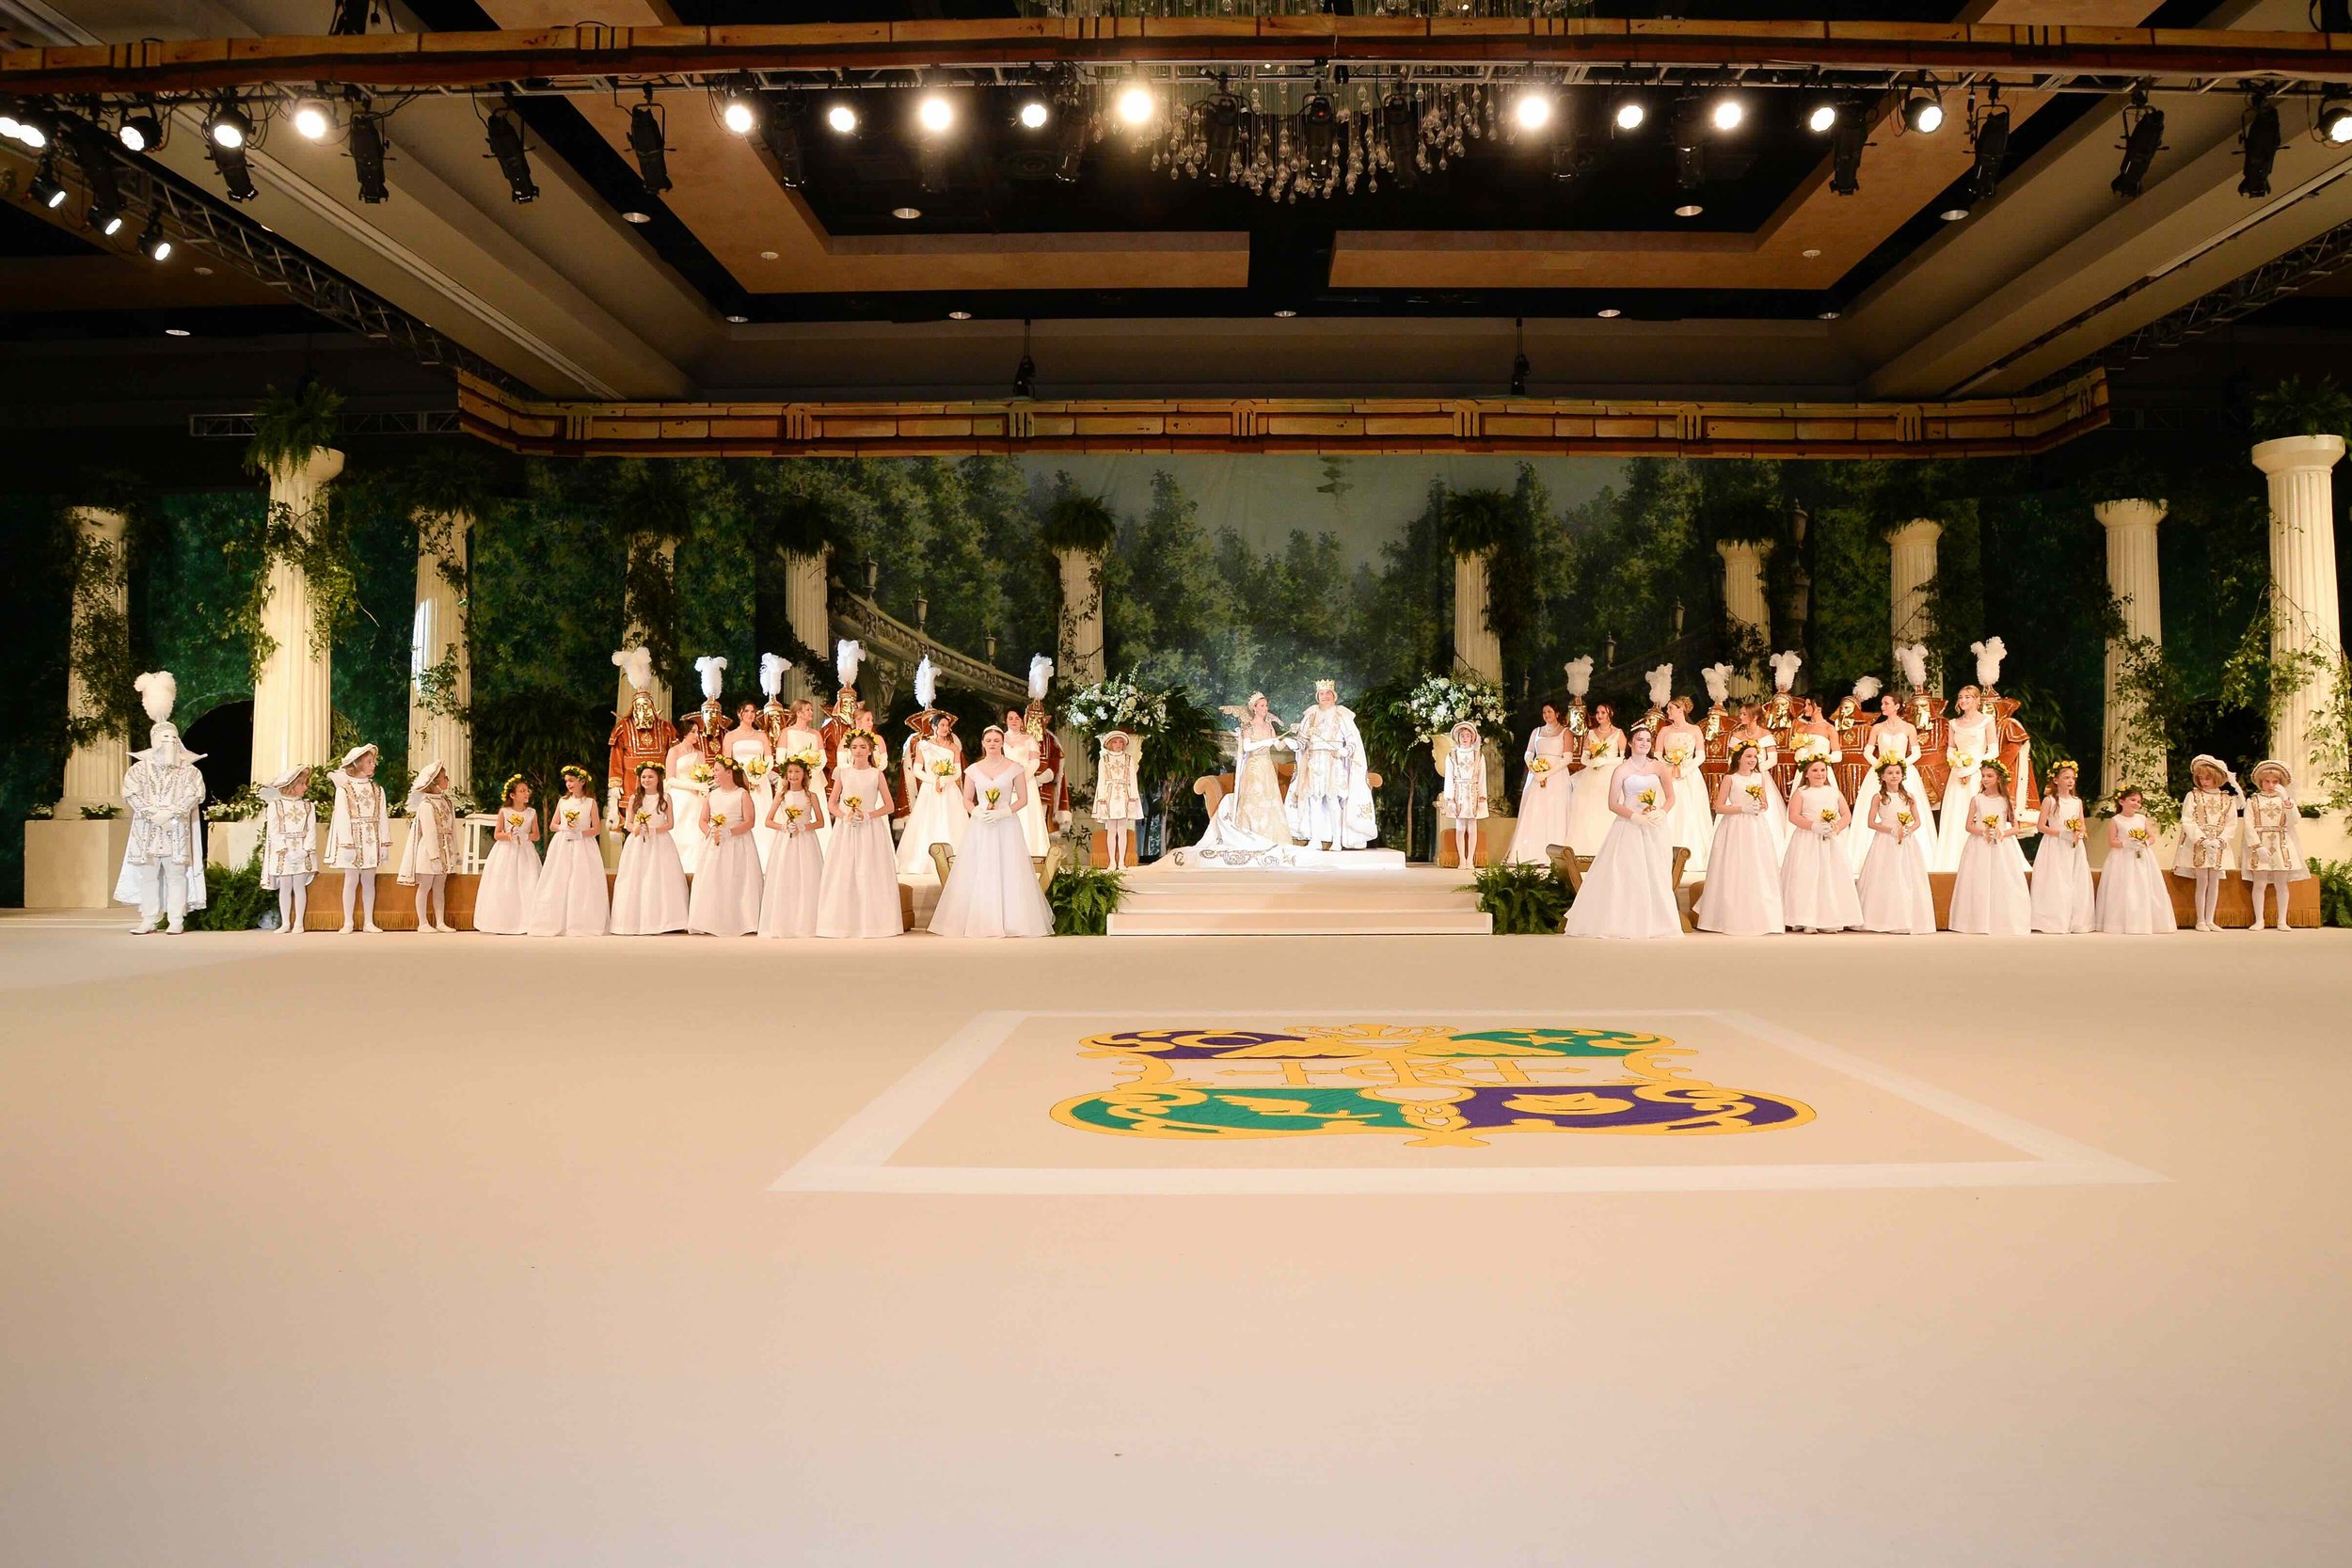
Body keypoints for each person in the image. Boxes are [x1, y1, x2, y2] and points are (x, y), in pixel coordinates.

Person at [929, 725, 1056, 938]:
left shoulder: (1015, 768)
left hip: (1006, 825)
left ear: (1002, 743)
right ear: (983, 743)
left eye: (997, 740)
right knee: (980, 866)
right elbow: (966, 799)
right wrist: (976, 811)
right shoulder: (973, 770)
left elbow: (1023, 799)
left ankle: (1012, 921)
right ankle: (980, 920)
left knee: (1009, 867)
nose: (993, 744)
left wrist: (1005, 812)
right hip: (981, 825)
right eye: (989, 740)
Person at [1564, 724, 1682, 940]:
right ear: (1630, 742)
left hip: (1654, 825)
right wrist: (1633, 816)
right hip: (1629, 825)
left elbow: (1671, 796)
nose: (1644, 744)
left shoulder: (1658, 767)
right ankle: (1626, 920)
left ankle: (1656, 921)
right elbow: (1612, 803)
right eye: (1640, 739)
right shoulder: (1622, 769)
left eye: (1648, 740)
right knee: (1629, 871)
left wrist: (1662, 812)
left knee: (1656, 872)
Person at [116, 672, 207, 935]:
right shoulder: (139, 770)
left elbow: (194, 794)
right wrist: (150, 813)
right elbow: (131, 793)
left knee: (176, 874)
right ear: (155, 741)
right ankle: (149, 918)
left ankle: (176, 919)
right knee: (148, 874)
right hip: (147, 828)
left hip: (176, 828)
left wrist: (173, 813)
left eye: (173, 738)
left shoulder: (189, 771)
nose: (170, 742)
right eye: (165, 738)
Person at [816, 732, 902, 938]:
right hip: (847, 829)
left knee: (870, 872)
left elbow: (889, 806)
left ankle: (873, 923)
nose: (858, 751)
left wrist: (868, 815)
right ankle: (844, 923)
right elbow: (832, 804)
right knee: (844, 871)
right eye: (854, 747)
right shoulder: (843, 773)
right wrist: (844, 816)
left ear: (870, 750)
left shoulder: (876, 774)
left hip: (870, 829)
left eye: (863, 747)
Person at [1694, 740, 1782, 936]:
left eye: (1755, 756)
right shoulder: (1730, 778)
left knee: (1756, 865)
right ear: (1739, 758)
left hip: (1755, 827)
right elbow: (1719, 807)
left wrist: (1759, 806)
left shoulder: (1759, 777)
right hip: (1734, 826)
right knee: (1734, 865)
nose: (1753, 760)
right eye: (1748, 756)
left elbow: (1765, 803)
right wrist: (1742, 808)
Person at [1847, 692, 1938, 875]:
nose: (1883, 706)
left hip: (1903, 771)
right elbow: (1867, 752)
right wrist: (1881, 767)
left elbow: (1916, 753)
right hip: (1881, 771)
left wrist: (1901, 766)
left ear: (1897, 706)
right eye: (1882, 703)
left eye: (1886, 703)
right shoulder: (1877, 728)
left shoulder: (1909, 727)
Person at [1284, 679, 1377, 851]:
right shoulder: (1311, 715)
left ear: (1334, 695)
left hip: (1333, 762)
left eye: (1328, 693)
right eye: (1321, 694)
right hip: (1314, 763)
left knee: (1333, 800)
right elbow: (1303, 740)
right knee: (1314, 800)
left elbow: (1352, 740)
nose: (1324, 696)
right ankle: (1315, 839)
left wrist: (1346, 750)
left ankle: (1336, 840)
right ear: (1317, 696)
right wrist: (1295, 744)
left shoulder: (1342, 715)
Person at [1196, 692, 1293, 854]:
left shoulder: (1269, 726)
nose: (1265, 708)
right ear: (1254, 708)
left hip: (1267, 767)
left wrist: (1288, 740)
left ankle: (1271, 837)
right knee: (1254, 798)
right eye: (1262, 705)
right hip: (1254, 767)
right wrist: (1265, 742)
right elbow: (1247, 747)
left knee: (1270, 800)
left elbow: (1278, 746)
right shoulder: (1248, 726)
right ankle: (1252, 835)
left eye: (1266, 705)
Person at [1779, 756, 1861, 933]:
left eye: (1823, 770)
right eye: (1815, 770)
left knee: (1829, 877)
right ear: (1806, 774)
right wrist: (1813, 826)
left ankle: (1829, 919)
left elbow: (1846, 815)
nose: (1819, 774)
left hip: (1830, 840)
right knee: (1807, 876)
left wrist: (1836, 827)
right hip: (1807, 840)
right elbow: (1793, 816)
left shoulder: (1834, 792)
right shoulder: (1801, 792)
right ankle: (1807, 919)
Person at [1855, 759, 1936, 935]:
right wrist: (1891, 830)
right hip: (1885, 841)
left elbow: (1917, 821)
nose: (1894, 776)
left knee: (1905, 875)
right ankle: (1880, 918)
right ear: (1883, 776)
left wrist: (1908, 829)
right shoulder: (1878, 797)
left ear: (1902, 776)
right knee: (1885, 875)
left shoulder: (1909, 797)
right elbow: (1871, 823)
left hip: (1906, 841)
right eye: (1890, 773)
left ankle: (1905, 918)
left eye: (1897, 773)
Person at [1949, 759, 2030, 936]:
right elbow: (1968, 826)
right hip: (1980, 844)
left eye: (1989, 776)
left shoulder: (2005, 801)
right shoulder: (1977, 799)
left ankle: (2001, 920)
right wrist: (1983, 832)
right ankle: (1977, 921)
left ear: (1998, 778)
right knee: (1979, 879)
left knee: (2003, 879)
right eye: (1983, 776)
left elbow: (2016, 828)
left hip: (2002, 845)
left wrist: (2002, 833)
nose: (1985, 779)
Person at [527, 765, 608, 938]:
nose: (569, 784)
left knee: (581, 880)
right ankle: (557, 921)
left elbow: (596, 829)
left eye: (572, 781)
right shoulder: (563, 801)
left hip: (583, 845)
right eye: (566, 781)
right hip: (563, 843)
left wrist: (580, 833)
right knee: (560, 878)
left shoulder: (590, 803)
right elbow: (553, 825)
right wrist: (565, 827)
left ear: (582, 781)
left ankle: (580, 922)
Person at [685, 757, 761, 936]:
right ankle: (710, 920)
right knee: (713, 878)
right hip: (715, 843)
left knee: (737, 878)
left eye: (717, 770)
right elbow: (703, 820)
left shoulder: (742, 794)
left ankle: (742, 920)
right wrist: (710, 831)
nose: (714, 773)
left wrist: (730, 832)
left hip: (738, 843)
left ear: (729, 772)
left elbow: (750, 821)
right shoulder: (712, 795)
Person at [610, 763, 689, 936]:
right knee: (638, 877)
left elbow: (670, 823)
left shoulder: (665, 797)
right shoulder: (634, 798)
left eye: (650, 777)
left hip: (660, 841)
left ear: (658, 778)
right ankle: (635, 921)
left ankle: (666, 920)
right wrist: (637, 828)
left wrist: (653, 830)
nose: (646, 780)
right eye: (644, 777)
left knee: (661, 877)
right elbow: (628, 824)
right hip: (638, 842)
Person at [758, 758, 828, 938]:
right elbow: (768, 821)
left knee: (807, 877)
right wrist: (783, 826)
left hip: (806, 840)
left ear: (804, 774)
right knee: (786, 876)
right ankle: (784, 922)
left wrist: (804, 827)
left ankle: (807, 922)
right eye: (790, 772)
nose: (793, 775)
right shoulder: (781, 796)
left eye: (797, 772)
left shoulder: (811, 796)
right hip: (785, 841)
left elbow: (821, 822)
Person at [896, 708, 971, 876]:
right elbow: (917, 770)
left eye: (947, 725)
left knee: (951, 820)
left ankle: (954, 859)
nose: (945, 728)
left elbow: (958, 771)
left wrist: (944, 780)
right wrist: (934, 781)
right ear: (934, 727)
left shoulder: (953, 747)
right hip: (930, 789)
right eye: (941, 725)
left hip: (949, 789)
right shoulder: (924, 746)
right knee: (928, 821)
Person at [326, 742, 390, 934]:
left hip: (371, 839)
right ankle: (348, 921)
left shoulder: (378, 790)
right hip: (353, 840)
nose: (373, 765)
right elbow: (342, 817)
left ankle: (368, 922)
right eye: (369, 762)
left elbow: (382, 816)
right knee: (351, 880)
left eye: (373, 761)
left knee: (369, 881)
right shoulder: (344, 790)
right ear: (357, 764)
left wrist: (384, 843)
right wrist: (347, 845)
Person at [2095, 786, 2177, 934]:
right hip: (2122, 858)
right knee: (2124, 887)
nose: (2136, 803)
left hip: (2142, 856)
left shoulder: (2141, 819)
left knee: (2143, 885)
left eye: (2139, 801)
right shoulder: (2116, 820)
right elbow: (2112, 842)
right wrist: (2126, 844)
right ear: (2122, 801)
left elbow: (2151, 837)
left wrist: (2145, 842)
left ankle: (2144, 922)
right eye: (2132, 800)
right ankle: (2120, 923)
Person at [1933, 685, 1997, 872]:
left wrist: (1973, 766)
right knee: (1956, 811)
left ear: (1977, 700)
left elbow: (1993, 750)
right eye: (1961, 697)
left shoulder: (1987, 721)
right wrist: (1958, 764)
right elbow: (1951, 749)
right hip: (1958, 773)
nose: (1963, 700)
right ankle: (1953, 857)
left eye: (1968, 697)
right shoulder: (1954, 723)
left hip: (1977, 773)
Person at [2176, 753, 2243, 932]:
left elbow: (2231, 823)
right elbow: (2187, 819)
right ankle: (2200, 920)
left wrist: (2222, 839)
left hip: (2218, 844)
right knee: (2202, 881)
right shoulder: (2193, 796)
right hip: (2199, 844)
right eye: (2201, 778)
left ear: (2217, 777)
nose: (2204, 782)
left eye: (2207, 778)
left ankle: (2210, 919)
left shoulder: (2227, 799)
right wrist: (2202, 839)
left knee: (2215, 881)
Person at [2027, 759, 2095, 934]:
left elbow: (2082, 824)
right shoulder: (2049, 801)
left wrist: (2080, 833)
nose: (2070, 781)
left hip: (2073, 846)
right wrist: (2061, 834)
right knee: (2056, 880)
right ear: (2056, 780)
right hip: (2054, 845)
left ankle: (2076, 920)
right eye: (2066, 777)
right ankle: (2054, 920)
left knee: (2074, 879)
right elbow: (2041, 826)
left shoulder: (2077, 802)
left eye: (2072, 778)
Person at [1502, 700, 1573, 865]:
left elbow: (1567, 758)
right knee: (1534, 812)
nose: (1546, 715)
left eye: (1549, 712)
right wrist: (1534, 770)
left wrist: (1547, 773)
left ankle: (1552, 856)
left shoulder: (1565, 732)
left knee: (1554, 812)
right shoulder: (1537, 731)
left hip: (1556, 776)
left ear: (1557, 714)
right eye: (1544, 712)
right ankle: (1529, 853)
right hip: (1536, 775)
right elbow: (1529, 753)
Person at [2240, 759, 2308, 931]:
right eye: (2267, 781)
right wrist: (2257, 846)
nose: (2271, 785)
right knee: (2259, 884)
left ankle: (2282, 920)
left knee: (2281, 884)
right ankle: (2259, 920)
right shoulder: (2253, 801)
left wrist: (2286, 801)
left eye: (2275, 782)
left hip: (2281, 844)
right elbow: (2248, 825)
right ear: (2260, 782)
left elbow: (2294, 820)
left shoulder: (2286, 801)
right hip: (2261, 844)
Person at [396, 760, 459, 933]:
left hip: (445, 850)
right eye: (444, 777)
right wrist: (434, 856)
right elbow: (429, 832)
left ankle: (440, 922)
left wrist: (455, 851)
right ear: (434, 782)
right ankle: (422, 922)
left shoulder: (447, 802)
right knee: (425, 886)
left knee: (439, 888)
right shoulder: (426, 805)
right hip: (429, 853)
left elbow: (452, 828)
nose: (447, 780)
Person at [474, 775, 540, 935]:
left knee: (528, 883)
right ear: (512, 795)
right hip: (506, 851)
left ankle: (528, 921)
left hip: (525, 851)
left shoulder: (531, 812)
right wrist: (509, 835)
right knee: (505, 884)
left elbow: (536, 835)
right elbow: (497, 834)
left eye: (527, 790)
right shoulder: (504, 812)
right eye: (522, 791)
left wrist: (525, 836)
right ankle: (503, 922)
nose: (527, 793)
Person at [1657, 694, 1711, 878]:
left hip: (1689, 774)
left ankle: (1690, 854)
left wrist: (1685, 769)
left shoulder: (1694, 730)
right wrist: (1668, 766)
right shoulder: (1664, 731)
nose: (1668, 711)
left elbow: (1701, 755)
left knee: (1690, 811)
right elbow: (1657, 754)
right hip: (1669, 774)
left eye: (1671, 708)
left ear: (1681, 710)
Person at [259, 765, 316, 936]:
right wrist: (285, 851)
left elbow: (311, 830)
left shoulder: (308, 807)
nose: (305, 787)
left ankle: (299, 923)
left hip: (301, 850)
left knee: (299, 887)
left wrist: (305, 851)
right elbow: (273, 831)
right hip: (284, 854)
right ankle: (285, 923)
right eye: (302, 784)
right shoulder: (275, 806)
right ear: (291, 785)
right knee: (285, 887)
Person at [1562, 702, 1625, 857]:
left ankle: (1609, 849)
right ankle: (1586, 848)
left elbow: (1623, 758)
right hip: (1591, 774)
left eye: (1603, 712)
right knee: (1586, 809)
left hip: (1610, 774)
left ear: (1610, 714)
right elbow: (1584, 758)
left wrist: (1605, 761)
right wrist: (1592, 762)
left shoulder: (1618, 733)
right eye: (1597, 712)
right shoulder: (1591, 733)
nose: (1599, 715)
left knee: (1606, 809)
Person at [726, 698, 778, 869]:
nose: (750, 714)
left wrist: (758, 777)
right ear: (739, 713)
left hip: (760, 782)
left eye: (753, 711)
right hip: (740, 782)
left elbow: (769, 760)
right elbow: (727, 762)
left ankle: (765, 859)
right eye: (746, 711)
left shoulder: (761, 735)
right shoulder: (731, 736)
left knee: (761, 814)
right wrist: (744, 778)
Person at [1002, 704, 1054, 861]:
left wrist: (1022, 779)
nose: (1014, 721)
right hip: (1005, 783)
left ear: (1022, 720)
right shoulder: (1000, 738)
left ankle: (1032, 855)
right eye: (1010, 718)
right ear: (1005, 720)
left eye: (1017, 718)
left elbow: (1035, 762)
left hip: (1026, 781)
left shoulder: (1029, 739)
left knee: (1027, 817)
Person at [665, 716, 711, 878]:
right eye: (693, 732)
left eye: (697, 732)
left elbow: (704, 776)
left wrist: (703, 787)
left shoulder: (699, 754)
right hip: (679, 795)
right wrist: (693, 786)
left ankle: (695, 866)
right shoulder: (674, 751)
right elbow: (670, 778)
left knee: (695, 831)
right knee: (679, 830)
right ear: (685, 733)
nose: (697, 735)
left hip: (696, 797)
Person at [1438, 721, 1488, 869]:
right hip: (1459, 792)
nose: (1465, 738)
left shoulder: (1478, 756)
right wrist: (1450, 798)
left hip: (1473, 792)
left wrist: (1482, 795)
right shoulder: (1452, 756)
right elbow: (1449, 778)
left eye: (1468, 735)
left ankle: (1470, 860)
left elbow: (1482, 776)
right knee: (1460, 827)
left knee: (1472, 827)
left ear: (1472, 737)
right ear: (1457, 737)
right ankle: (1462, 860)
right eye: (1462, 735)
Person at [1095, 730, 1143, 867]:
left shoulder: (1129, 759)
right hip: (1110, 796)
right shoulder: (1104, 760)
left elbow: (1133, 780)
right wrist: (1102, 800)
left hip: (1124, 796)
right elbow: (1101, 781)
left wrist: (1133, 799)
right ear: (1110, 744)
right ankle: (1112, 861)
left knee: (1122, 830)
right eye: (1115, 742)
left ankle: (1121, 861)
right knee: (1111, 830)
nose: (1118, 745)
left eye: (1121, 742)